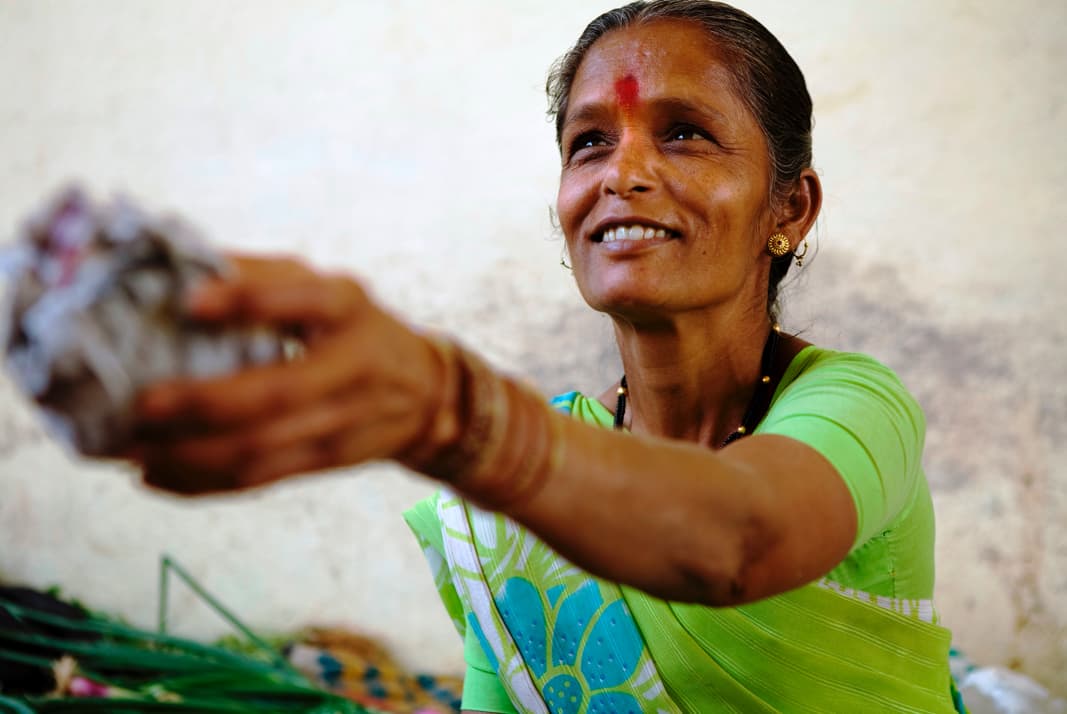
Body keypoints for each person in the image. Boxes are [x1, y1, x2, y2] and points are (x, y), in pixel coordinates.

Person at [127, 1, 964, 711]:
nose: (621, 172)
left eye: (683, 133)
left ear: (790, 204)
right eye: (588, 142)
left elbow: (738, 540)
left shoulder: (856, 405)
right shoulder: (520, 520)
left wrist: (452, 414)